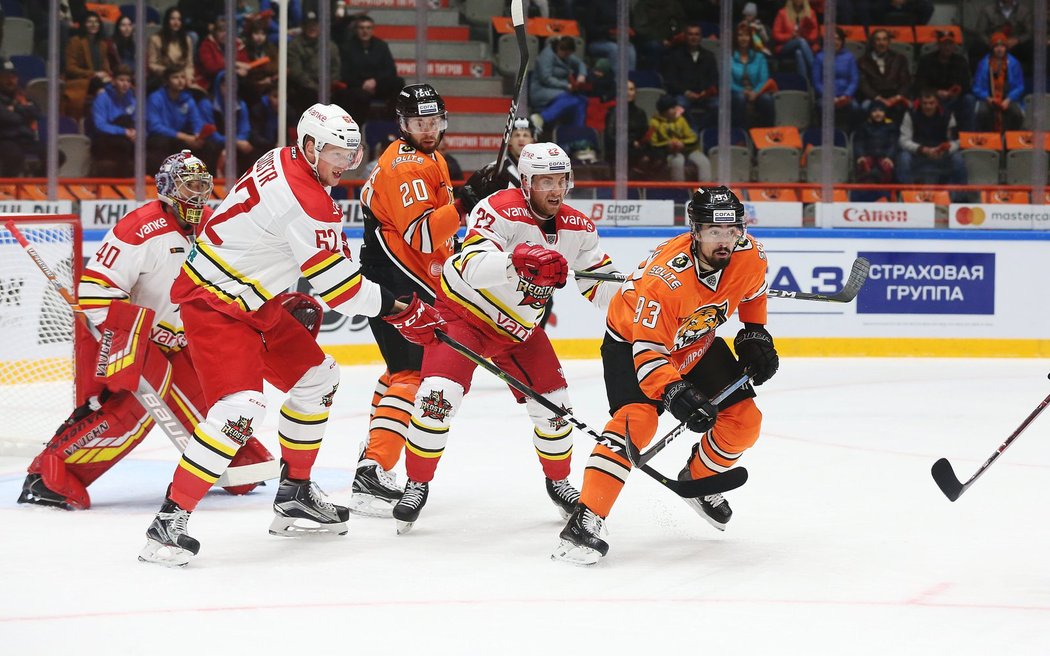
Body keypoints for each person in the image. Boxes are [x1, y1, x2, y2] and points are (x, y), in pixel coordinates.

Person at [138, 105, 436, 567]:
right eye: (337, 151)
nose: (345, 161)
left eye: (352, 153)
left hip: (252, 299)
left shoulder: (284, 158)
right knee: (239, 409)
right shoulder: (308, 199)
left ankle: (295, 491)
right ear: (312, 146)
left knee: (319, 378)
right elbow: (340, 289)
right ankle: (169, 521)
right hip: (216, 304)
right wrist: (403, 309)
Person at [17, 151, 275, 511]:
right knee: (131, 412)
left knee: (215, 402)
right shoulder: (139, 228)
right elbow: (95, 292)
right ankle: (47, 476)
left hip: (182, 342)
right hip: (133, 339)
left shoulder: (212, 226)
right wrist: (130, 341)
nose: (199, 196)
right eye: (190, 187)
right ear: (169, 189)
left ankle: (233, 465)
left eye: (204, 186)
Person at [390, 143, 622, 535]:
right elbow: (470, 264)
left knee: (556, 409)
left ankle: (558, 482)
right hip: (465, 315)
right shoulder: (499, 207)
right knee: (436, 399)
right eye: (545, 181)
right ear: (528, 182)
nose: (554, 189)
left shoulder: (578, 228)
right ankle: (417, 482)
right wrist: (518, 260)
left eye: (561, 180)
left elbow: (598, 286)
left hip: (518, 331)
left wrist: (641, 296)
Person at [552, 186, 779, 565]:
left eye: (732, 231)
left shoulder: (750, 253)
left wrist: (755, 332)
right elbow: (649, 353)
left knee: (745, 422)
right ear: (696, 231)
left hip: (696, 340)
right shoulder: (665, 282)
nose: (725, 241)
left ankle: (698, 479)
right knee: (636, 422)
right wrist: (676, 394)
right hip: (633, 344)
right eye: (714, 232)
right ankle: (586, 519)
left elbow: (753, 290)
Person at [352, 84, 473, 518]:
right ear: (403, 125)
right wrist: (464, 204)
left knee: (397, 373)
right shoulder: (405, 167)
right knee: (412, 374)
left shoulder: (432, 159)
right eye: (420, 123)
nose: (428, 129)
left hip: (405, 277)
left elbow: (436, 237)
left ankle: (372, 459)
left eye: (434, 121)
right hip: (394, 282)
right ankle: (374, 469)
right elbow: (421, 235)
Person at [145, 65, 215, 173]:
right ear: (167, 81)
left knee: (208, 145)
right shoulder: (156, 98)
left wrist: (197, 135)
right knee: (161, 142)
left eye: (182, 77)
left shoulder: (187, 98)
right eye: (175, 77)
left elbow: (196, 121)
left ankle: (202, 179)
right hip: (161, 136)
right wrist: (184, 136)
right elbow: (154, 126)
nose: (180, 81)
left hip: (180, 137)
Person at [339, 14, 404, 124]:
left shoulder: (381, 45)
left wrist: (375, 81)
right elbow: (344, 73)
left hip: (378, 85)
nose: (365, 31)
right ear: (356, 30)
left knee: (398, 82)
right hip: (357, 87)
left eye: (368, 28)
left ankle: (391, 122)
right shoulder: (347, 47)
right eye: (361, 28)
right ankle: (357, 128)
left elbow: (390, 70)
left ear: (373, 30)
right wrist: (362, 84)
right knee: (360, 96)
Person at [896, 90, 966, 190]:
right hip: (918, 154)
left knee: (958, 158)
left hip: (941, 154)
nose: (928, 106)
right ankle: (906, 195)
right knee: (903, 157)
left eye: (931, 103)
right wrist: (923, 149)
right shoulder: (911, 114)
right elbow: (903, 140)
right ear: (920, 103)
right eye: (925, 103)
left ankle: (959, 199)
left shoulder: (947, 115)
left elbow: (956, 141)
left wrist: (944, 150)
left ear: (937, 103)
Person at [913, 30, 975, 132]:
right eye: (944, 44)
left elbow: (966, 84)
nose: (947, 47)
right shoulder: (926, 60)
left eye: (950, 44)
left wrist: (954, 92)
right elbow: (919, 84)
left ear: (954, 46)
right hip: (934, 97)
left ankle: (968, 135)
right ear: (938, 45)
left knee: (969, 99)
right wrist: (936, 92)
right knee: (927, 100)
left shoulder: (960, 61)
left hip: (955, 97)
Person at [662, 24, 719, 131]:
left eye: (697, 34)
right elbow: (670, 80)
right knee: (679, 105)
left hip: (705, 95)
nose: (694, 37)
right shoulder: (675, 56)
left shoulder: (709, 56)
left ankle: (702, 129)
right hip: (684, 94)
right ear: (685, 36)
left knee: (719, 106)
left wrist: (705, 92)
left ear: (701, 37)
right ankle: (693, 130)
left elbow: (714, 78)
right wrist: (686, 92)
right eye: (690, 34)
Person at [529, 36, 588, 133]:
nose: (567, 55)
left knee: (581, 101)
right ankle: (542, 118)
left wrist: (582, 75)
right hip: (542, 90)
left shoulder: (567, 55)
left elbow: (580, 63)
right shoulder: (547, 56)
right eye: (565, 53)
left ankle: (577, 133)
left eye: (569, 53)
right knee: (571, 99)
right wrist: (566, 86)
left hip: (560, 90)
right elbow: (546, 78)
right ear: (559, 48)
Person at [287, 12, 341, 119]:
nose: (312, 28)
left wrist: (329, 85)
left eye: (315, 25)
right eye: (308, 25)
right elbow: (297, 73)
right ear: (303, 27)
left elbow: (336, 69)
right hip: (305, 87)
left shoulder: (330, 45)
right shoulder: (295, 45)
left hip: (328, 86)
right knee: (308, 95)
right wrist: (316, 88)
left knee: (345, 96)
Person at [649, 94, 712, 182]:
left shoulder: (681, 120)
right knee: (677, 161)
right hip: (668, 153)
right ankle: (680, 191)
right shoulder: (654, 123)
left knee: (703, 161)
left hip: (687, 149)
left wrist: (682, 143)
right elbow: (653, 143)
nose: (675, 110)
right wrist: (668, 145)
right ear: (663, 111)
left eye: (675, 107)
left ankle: (705, 190)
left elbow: (692, 138)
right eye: (671, 108)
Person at [63, 11, 113, 120]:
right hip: (81, 81)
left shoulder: (102, 44)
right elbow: (70, 68)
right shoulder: (75, 41)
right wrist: (93, 74)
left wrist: (106, 74)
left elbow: (105, 67)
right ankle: (100, 119)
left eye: (96, 22)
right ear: (84, 24)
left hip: (99, 79)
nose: (94, 24)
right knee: (101, 87)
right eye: (90, 22)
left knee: (118, 85)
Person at [89, 65, 136, 177]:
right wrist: (124, 131)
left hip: (126, 138)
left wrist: (136, 132)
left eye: (128, 81)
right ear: (113, 81)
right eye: (121, 80)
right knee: (124, 143)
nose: (125, 84)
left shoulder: (132, 99)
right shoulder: (102, 98)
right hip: (105, 138)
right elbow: (100, 125)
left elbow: (137, 121)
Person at [973, 32, 1024, 133]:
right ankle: (988, 141)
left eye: (1002, 46)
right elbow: (976, 87)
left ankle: (1009, 141)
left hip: (1008, 99)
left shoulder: (1014, 63)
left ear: (1006, 48)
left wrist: (1008, 100)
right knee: (983, 112)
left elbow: (1019, 86)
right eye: (996, 46)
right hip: (988, 99)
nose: (1000, 49)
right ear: (992, 48)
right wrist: (988, 98)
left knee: (1016, 113)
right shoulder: (983, 63)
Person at [0, 57, 43, 177]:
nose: (11, 80)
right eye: (6, 76)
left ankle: (39, 184)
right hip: (5, 139)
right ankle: (7, 189)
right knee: (14, 156)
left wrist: (16, 109)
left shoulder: (22, 95)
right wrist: (24, 111)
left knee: (56, 156)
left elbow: (37, 114)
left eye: (13, 76)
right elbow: (7, 118)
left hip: (26, 139)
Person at [857, 28, 912, 122]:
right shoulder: (863, 61)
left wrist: (896, 97)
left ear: (889, 42)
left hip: (895, 96)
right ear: (873, 43)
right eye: (877, 40)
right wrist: (878, 98)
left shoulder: (899, 58)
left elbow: (906, 82)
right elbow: (863, 84)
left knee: (906, 107)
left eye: (884, 39)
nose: (881, 43)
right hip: (873, 97)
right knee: (864, 107)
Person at [813, 27, 861, 131]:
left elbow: (854, 79)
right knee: (822, 106)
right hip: (825, 97)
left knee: (856, 108)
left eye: (838, 39)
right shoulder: (820, 57)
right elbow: (817, 82)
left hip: (846, 96)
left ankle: (850, 135)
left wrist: (846, 95)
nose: (835, 42)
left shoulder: (849, 57)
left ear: (842, 41)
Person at [730, 24, 775, 129]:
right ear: (736, 38)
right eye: (740, 35)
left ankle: (767, 133)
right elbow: (728, 82)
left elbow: (764, 79)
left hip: (757, 91)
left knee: (767, 99)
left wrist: (755, 92)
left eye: (746, 35)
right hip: (737, 92)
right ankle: (740, 134)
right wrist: (743, 91)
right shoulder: (729, 58)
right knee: (740, 98)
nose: (743, 39)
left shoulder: (759, 57)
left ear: (751, 38)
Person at [147, 7, 196, 91]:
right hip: (163, 78)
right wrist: (168, 73)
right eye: (172, 19)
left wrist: (188, 77)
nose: (176, 22)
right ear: (167, 21)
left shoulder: (187, 39)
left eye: (179, 19)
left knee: (200, 97)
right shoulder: (155, 39)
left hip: (183, 78)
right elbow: (152, 64)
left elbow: (189, 64)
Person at [772, 0, 819, 84]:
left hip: (805, 46)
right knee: (800, 41)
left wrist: (803, 35)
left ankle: (803, 85)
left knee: (799, 52)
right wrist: (791, 36)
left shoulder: (811, 13)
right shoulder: (782, 13)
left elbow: (814, 35)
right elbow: (776, 35)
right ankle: (816, 70)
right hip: (786, 46)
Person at [853, 100, 898, 185]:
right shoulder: (864, 126)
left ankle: (886, 193)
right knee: (863, 165)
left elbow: (893, 144)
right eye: (874, 111)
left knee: (887, 167)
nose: (878, 114)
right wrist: (861, 156)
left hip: (884, 157)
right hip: (868, 156)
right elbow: (859, 143)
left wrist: (889, 157)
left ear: (885, 112)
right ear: (870, 113)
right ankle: (865, 193)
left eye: (881, 111)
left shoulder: (891, 126)